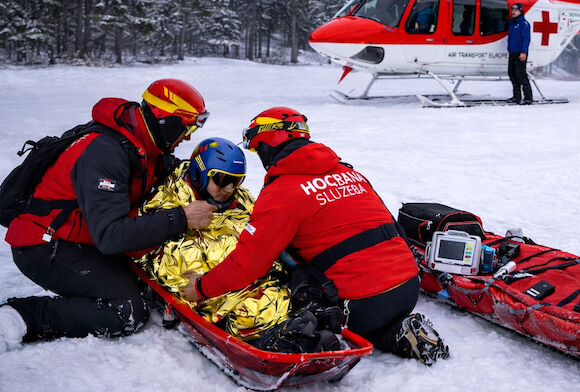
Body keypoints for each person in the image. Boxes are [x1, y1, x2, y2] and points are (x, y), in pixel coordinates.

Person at [180, 107, 450, 365]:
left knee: (285, 268)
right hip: (408, 286)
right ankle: (396, 334)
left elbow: (249, 263)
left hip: (360, 304)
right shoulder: (350, 173)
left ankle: (322, 340)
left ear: (267, 144)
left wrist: (202, 287)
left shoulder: (282, 192)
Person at [0, 79, 215, 351]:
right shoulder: (105, 152)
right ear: (165, 121)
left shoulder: (147, 145)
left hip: (82, 236)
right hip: (44, 244)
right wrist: (182, 217)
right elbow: (111, 236)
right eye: (186, 127)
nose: (189, 136)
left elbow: (170, 174)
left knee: (149, 278)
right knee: (128, 310)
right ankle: (21, 318)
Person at [137, 137, 291, 341]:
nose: (228, 188)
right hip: (220, 290)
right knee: (255, 315)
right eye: (221, 179)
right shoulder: (168, 202)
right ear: (200, 173)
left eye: (236, 181)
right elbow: (169, 264)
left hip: (256, 279)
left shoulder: (238, 198)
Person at [507, 2, 534, 104]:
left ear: (520, 11)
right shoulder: (511, 23)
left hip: (520, 53)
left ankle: (528, 96)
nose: (513, 12)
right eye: (512, 10)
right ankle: (516, 96)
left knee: (521, 74)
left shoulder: (524, 24)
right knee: (512, 74)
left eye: (516, 10)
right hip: (512, 52)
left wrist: (524, 52)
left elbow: (526, 39)